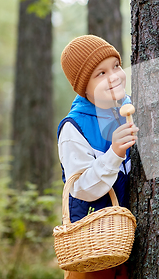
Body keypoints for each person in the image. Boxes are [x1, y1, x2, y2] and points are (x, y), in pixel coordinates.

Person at [57, 35, 138, 279]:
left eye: (115, 66)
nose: (113, 77)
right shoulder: (74, 128)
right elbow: (81, 188)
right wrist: (114, 153)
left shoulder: (126, 108)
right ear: (84, 87)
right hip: (93, 245)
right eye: (100, 74)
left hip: (127, 237)